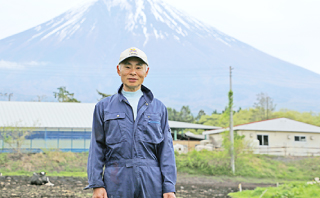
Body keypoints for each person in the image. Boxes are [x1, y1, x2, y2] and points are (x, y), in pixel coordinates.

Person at [84, 47, 177, 198]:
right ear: (118, 70)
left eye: (138, 67)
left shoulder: (158, 108)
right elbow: (96, 147)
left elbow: (166, 150)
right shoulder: (104, 107)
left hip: (151, 182)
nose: (133, 72)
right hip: (116, 180)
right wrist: (96, 184)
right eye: (127, 67)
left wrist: (169, 186)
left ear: (146, 72)